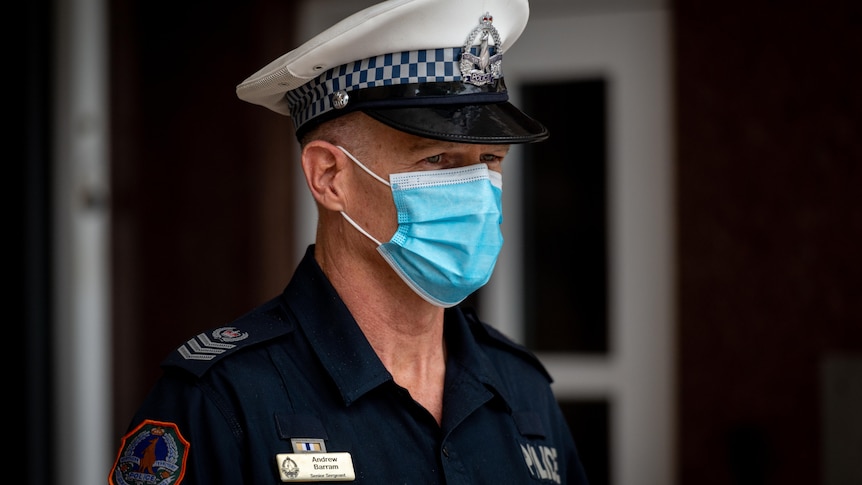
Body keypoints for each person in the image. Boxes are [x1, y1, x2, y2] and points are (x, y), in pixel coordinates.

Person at [108, 0, 590, 483]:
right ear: (330, 176)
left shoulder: (523, 391)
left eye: (489, 159)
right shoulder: (222, 400)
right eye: (438, 159)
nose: (475, 187)